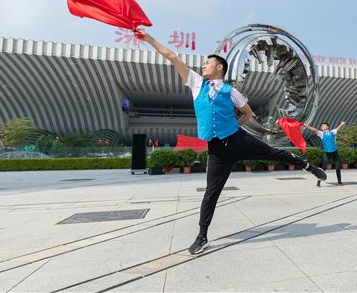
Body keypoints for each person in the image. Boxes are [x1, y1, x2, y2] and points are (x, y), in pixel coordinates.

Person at [140, 30, 327, 255]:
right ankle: (202, 236)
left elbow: (248, 113)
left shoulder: (231, 91)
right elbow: (172, 57)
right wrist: (149, 39)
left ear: (219, 67)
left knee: (274, 152)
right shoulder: (197, 84)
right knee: (211, 192)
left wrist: (235, 126)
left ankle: (308, 166)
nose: (203, 66)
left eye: (207, 63)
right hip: (217, 150)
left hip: (238, 140)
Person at [303, 121, 346, 186]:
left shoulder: (332, 132)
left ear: (327, 127)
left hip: (335, 153)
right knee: (323, 168)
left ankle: (339, 181)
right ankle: (319, 181)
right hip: (327, 153)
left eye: (323, 125)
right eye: (322, 126)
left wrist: (341, 124)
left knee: (338, 167)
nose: (322, 127)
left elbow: (337, 129)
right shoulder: (321, 134)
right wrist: (306, 126)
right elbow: (315, 130)